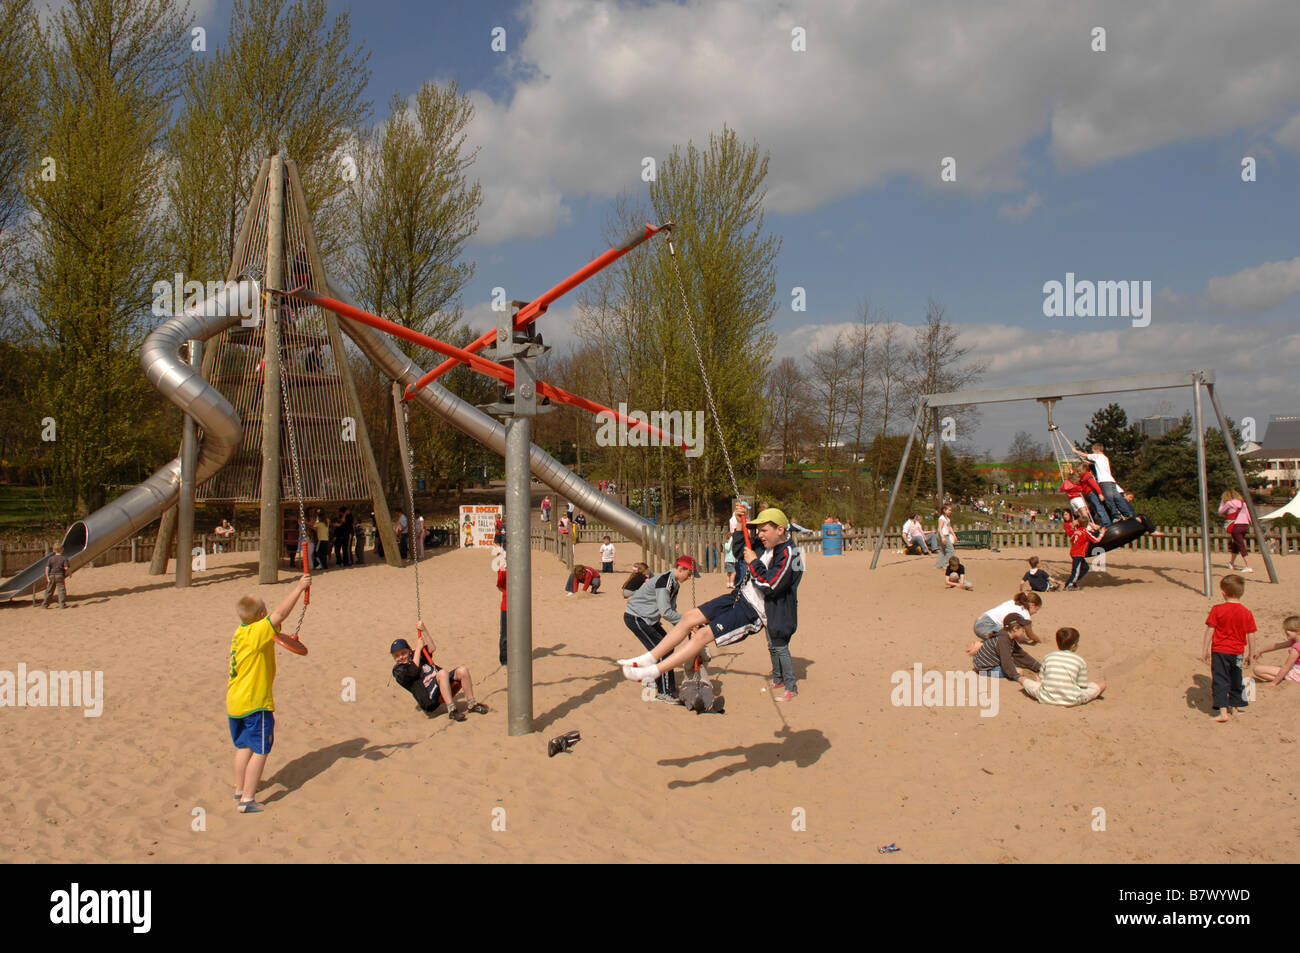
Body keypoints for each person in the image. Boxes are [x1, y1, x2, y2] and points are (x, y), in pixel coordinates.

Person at [620, 507, 802, 701]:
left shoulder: (790, 554)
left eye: (764, 530)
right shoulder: (765, 545)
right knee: (690, 616)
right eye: (758, 530)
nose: (759, 535)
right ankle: (648, 658)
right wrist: (740, 524)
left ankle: (653, 671)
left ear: (780, 530)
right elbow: (741, 551)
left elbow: (770, 585)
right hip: (739, 596)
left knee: (703, 635)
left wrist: (754, 563)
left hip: (755, 611)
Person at [227, 573, 311, 813]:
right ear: (262, 615)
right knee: (262, 749)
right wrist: (299, 587)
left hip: (235, 702)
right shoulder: (257, 633)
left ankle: (238, 789)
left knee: (244, 747)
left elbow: (276, 621)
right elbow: (281, 614)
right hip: (256, 703)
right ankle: (247, 799)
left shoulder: (241, 632)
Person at [624, 556, 698, 703]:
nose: (689, 578)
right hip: (637, 618)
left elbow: (672, 609)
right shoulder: (665, 582)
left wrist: (684, 627)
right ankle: (664, 691)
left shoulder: (674, 584)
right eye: (689, 574)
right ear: (681, 568)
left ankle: (659, 682)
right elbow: (666, 612)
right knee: (664, 651)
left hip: (648, 619)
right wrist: (688, 623)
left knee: (666, 647)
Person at [390, 622, 489, 723]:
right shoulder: (398, 670)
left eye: (403, 653)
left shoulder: (416, 656)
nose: (401, 657)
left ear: (409, 651)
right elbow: (413, 671)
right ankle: (452, 710)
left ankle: (472, 703)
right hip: (429, 698)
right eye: (396, 656)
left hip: (440, 684)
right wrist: (418, 648)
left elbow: (432, 648)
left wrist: (424, 630)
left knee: (463, 671)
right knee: (442, 673)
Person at [1201, 574, 1256, 723]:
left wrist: (1205, 649)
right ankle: (1236, 708)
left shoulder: (1217, 609)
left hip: (1220, 651)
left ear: (1223, 592)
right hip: (1237, 651)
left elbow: (1210, 630)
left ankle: (1223, 712)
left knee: (1220, 679)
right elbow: (1251, 635)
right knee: (1236, 678)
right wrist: (1252, 653)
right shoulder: (1247, 612)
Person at [1020, 626, 1106, 705]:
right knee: (1100, 685)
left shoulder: (1049, 656)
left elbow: (1042, 679)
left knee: (1025, 681)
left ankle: (1021, 678)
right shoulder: (1080, 661)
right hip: (1072, 699)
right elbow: (1081, 685)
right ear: (1074, 646)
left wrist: (1039, 681)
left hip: (1046, 697)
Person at [969, 613, 1041, 683]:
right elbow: (1006, 661)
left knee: (1015, 666)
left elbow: (1020, 654)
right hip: (985, 669)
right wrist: (1017, 676)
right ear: (1015, 628)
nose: (1024, 631)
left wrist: (1038, 667)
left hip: (986, 663)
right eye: (1023, 629)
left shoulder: (1008, 637)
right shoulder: (1003, 640)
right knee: (1018, 671)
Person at [1075, 442, 1134, 520]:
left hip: (1104, 481)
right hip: (1111, 481)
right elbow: (1097, 464)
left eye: (1093, 451)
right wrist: (1088, 463)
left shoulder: (1097, 456)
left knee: (1109, 499)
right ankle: (1128, 513)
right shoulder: (1105, 458)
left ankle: (1116, 516)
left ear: (1096, 450)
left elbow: (1085, 455)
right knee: (1117, 497)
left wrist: (1075, 451)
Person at [973, 592, 1042, 642]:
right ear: (1032, 605)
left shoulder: (1013, 602)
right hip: (987, 626)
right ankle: (980, 646)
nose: (1036, 612)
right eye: (1036, 609)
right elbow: (1030, 634)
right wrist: (1039, 641)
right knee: (1009, 641)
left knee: (1011, 634)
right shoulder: (1025, 614)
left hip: (979, 621)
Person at [1252, 615, 1300, 688]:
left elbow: (1287, 666)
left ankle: (1284, 679)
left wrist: (1274, 683)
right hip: (1296, 669)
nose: (1285, 631)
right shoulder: (1294, 641)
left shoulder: (1297, 647)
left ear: (1298, 631)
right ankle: (1283, 678)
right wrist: (1261, 651)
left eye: (1289, 630)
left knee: (1257, 670)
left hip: (1297, 672)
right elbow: (1277, 646)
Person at [1063, 512, 1104, 590]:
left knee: (1085, 567)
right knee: (1076, 571)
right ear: (1087, 524)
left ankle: (1073, 582)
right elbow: (1096, 540)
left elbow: (1071, 539)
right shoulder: (1085, 532)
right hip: (1078, 554)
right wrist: (1102, 533)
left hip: (1074, 552)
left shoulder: (1076, 531)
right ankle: (1068, 585)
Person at [1218, 490, 1253, 573]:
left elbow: (1220, 511)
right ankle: (1231, 563)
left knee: (1240, 545)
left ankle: (1248, 566)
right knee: (1236, 543)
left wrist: (1222, 503)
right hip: (1245, 525)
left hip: (1236, 525)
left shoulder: (1229, 503)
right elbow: (1248, 515)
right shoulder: (1243, 503)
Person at [1076, 463, 1111, 528]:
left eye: (1079, 471)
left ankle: (1106, 523)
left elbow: (1094, 485)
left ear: (1084, 469)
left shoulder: (1087, 475)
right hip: (1089, 495)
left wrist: (1100, 493)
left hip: (1093, 493)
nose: (1078, 472)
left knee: (1099, 508)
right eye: (1078, 471)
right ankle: (1102, 522)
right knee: (1096, 510)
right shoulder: (1082, 477)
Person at [42, 543, 71, 609]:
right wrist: (69, 573)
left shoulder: (50, 559)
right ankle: (62, 605)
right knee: (61, 590)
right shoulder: (64, 558)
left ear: (53, 550)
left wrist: (47, 577)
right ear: (62, 550)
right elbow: (66, 568)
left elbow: (47, 568)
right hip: (60, 575)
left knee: (49, 590)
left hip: (51, 575)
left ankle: (45, 605)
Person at [493, 548, 508, 666]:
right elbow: (500, 585)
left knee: (506, 634)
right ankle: (504, 659)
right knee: (505, 634)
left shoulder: (503, 569)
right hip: (506, 605)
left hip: (507, 605)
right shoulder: (503, 569)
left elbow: (500, 587)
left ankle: (506, 659)